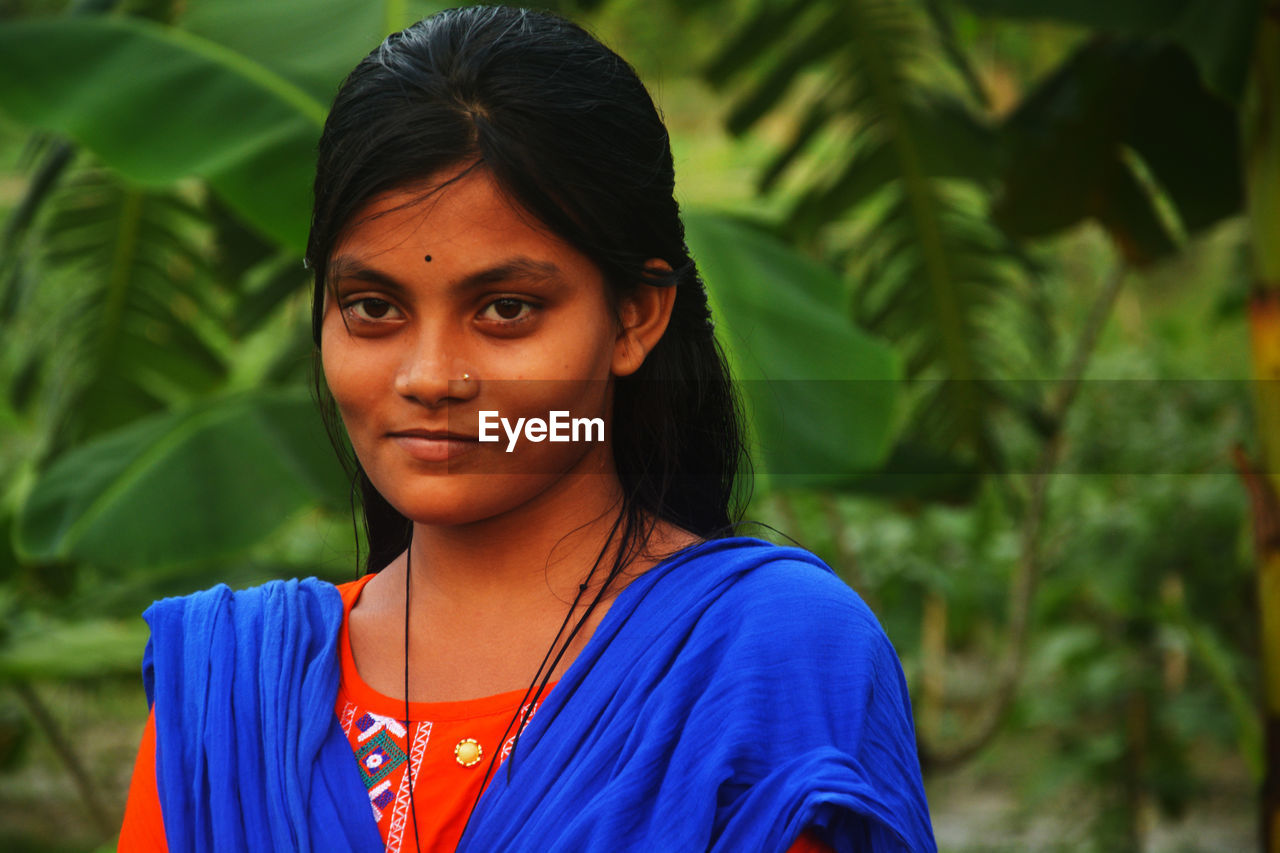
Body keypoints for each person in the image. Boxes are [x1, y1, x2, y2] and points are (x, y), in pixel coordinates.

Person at [118, 6, 935, 851]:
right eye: (372, 307)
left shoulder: (771, 660)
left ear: (634, 317)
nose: (430, 376)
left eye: (506, 309)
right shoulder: (227, 693)